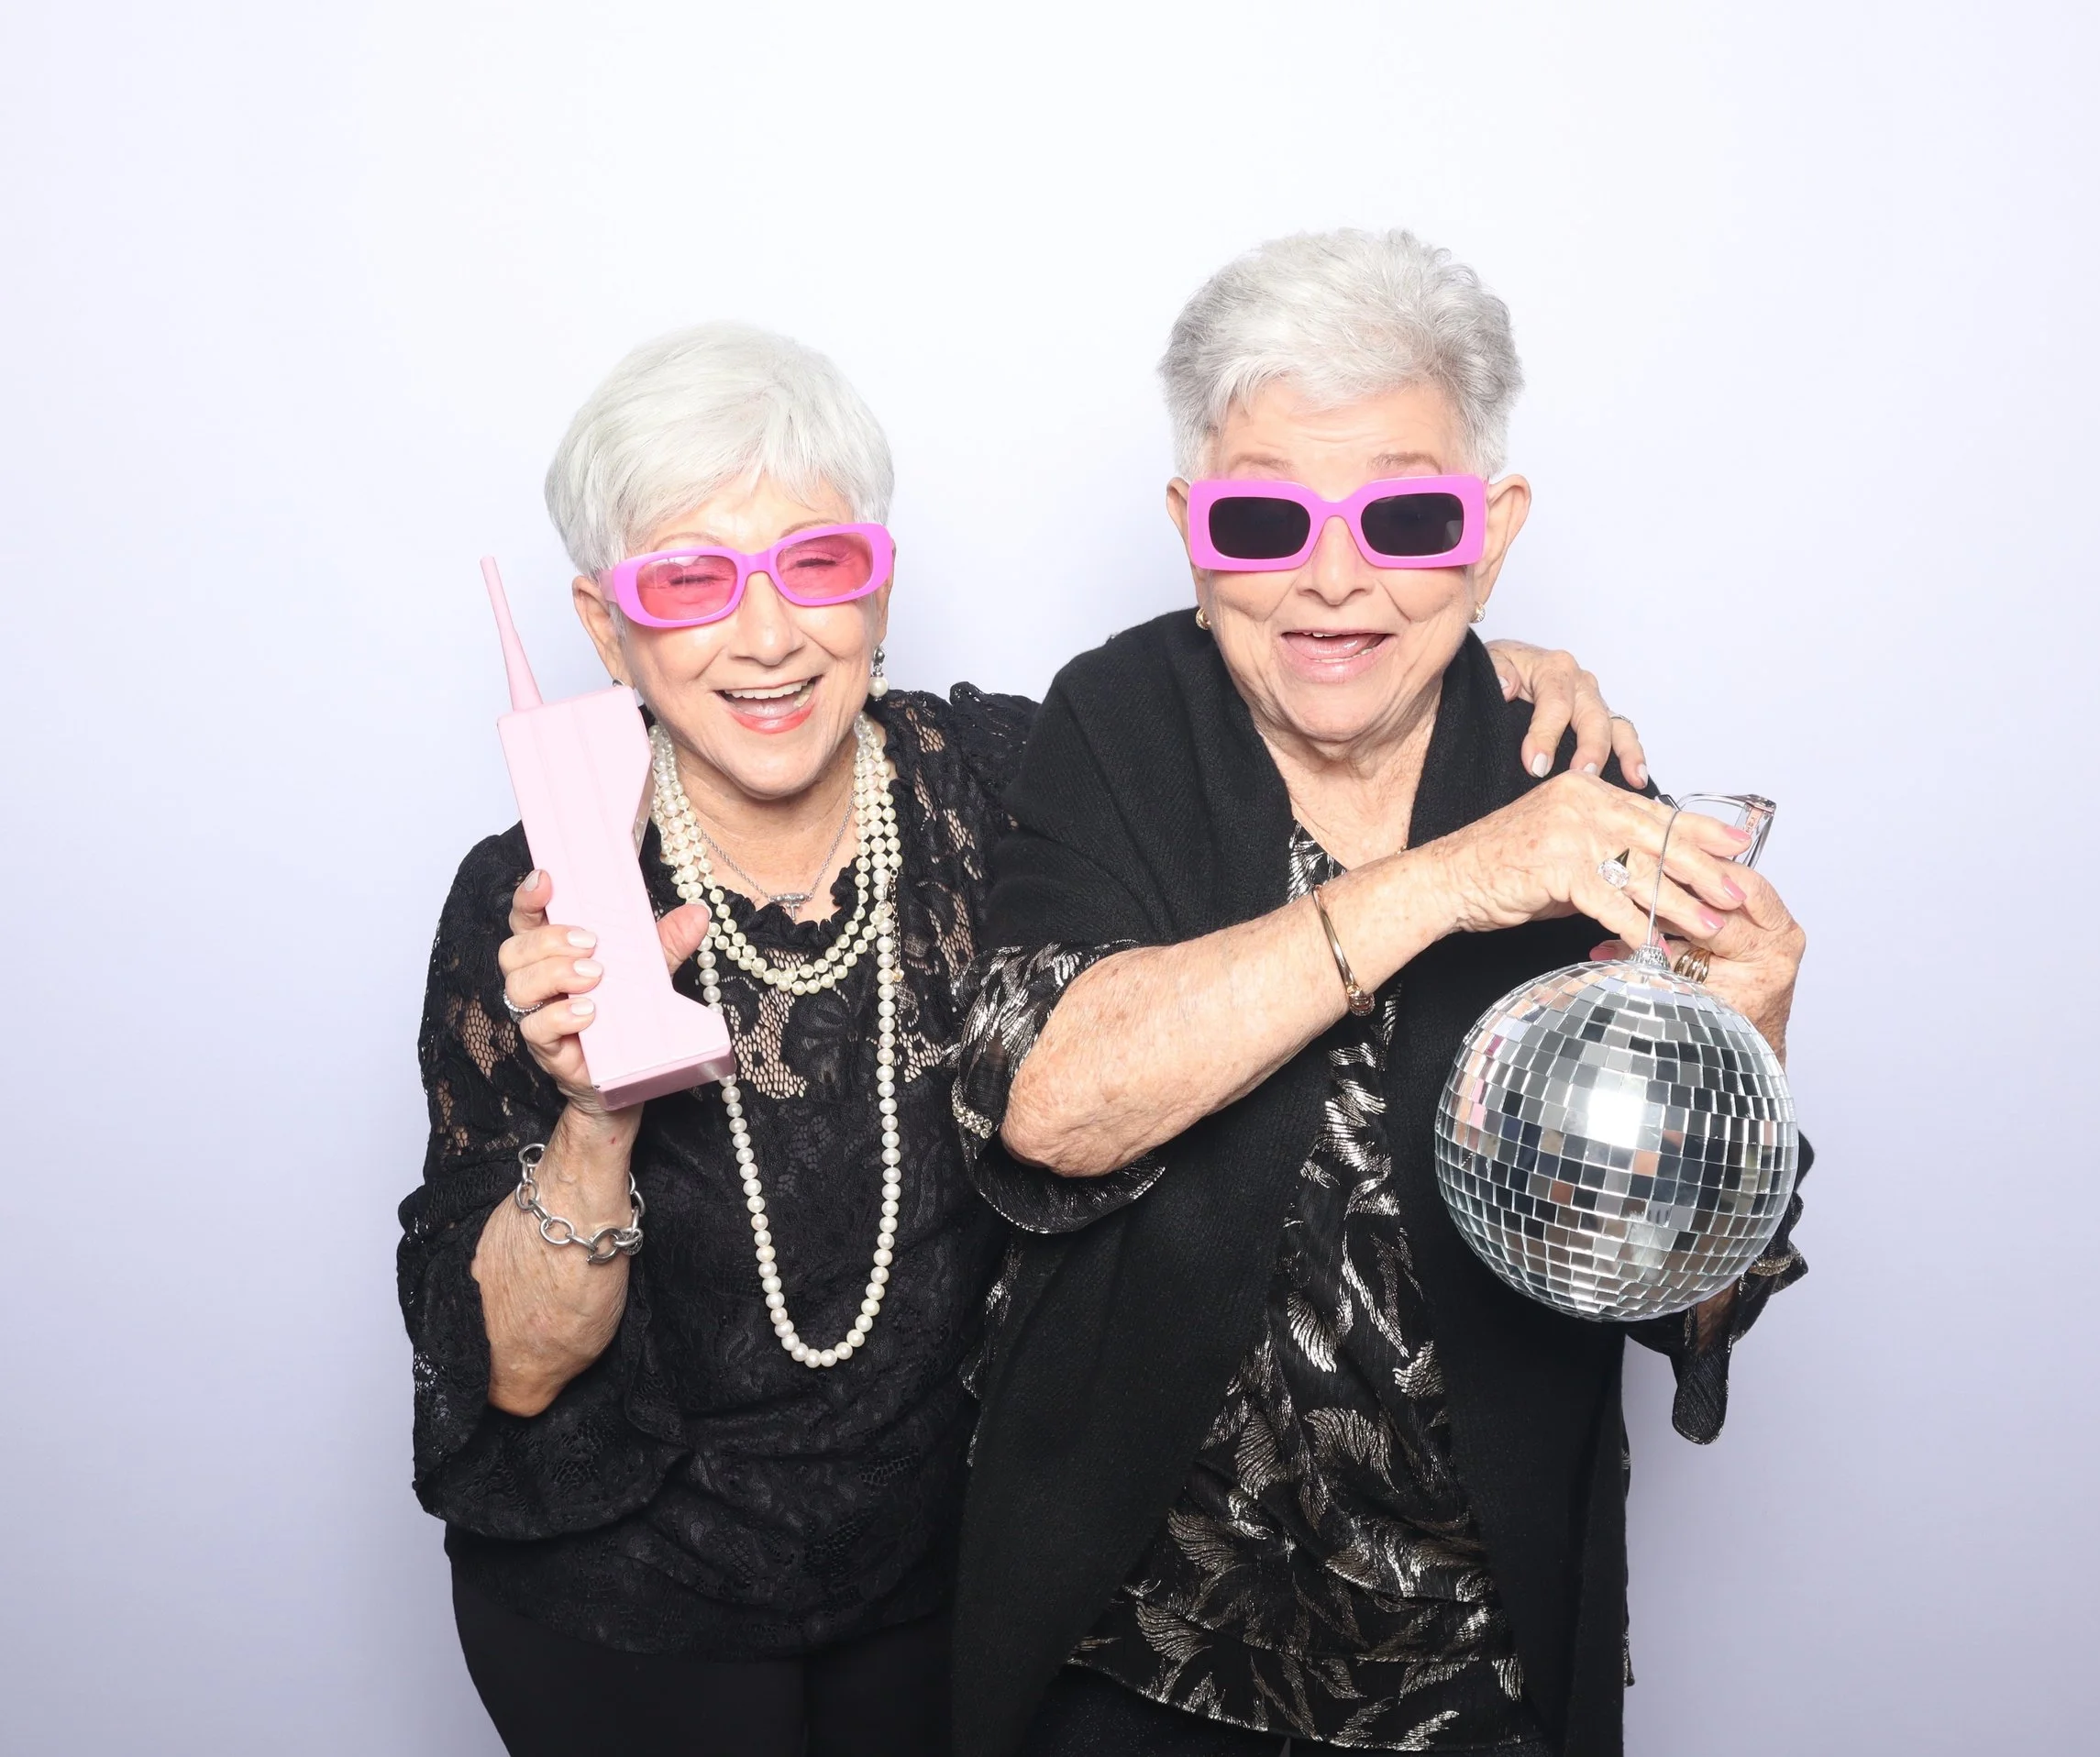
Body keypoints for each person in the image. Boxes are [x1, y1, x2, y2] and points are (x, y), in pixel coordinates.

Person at [396, 320, 1639, 1757]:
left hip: (944, 1598)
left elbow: (1265, 695)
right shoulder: (529, 899)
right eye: (688, 580)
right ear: (606, 628)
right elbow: (519, 1374)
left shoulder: (1009, 777)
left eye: (816, 565)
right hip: (628, 1613)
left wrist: (1476, 663)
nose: (765, 634)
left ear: (879, 585)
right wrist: (600, 1110)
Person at [952, 230, 1814, 1757]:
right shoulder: (1118, 721)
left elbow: (1681, 1293)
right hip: (1136, 1659)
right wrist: (1451, 880)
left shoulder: (1576, 777)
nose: (1334, 577)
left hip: (1474, 1673)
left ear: (1488, 536)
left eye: (1405, 517)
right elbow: (1051, 1106)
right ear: (1190, 528)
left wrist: (1744, 1045)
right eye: (1267, 515)